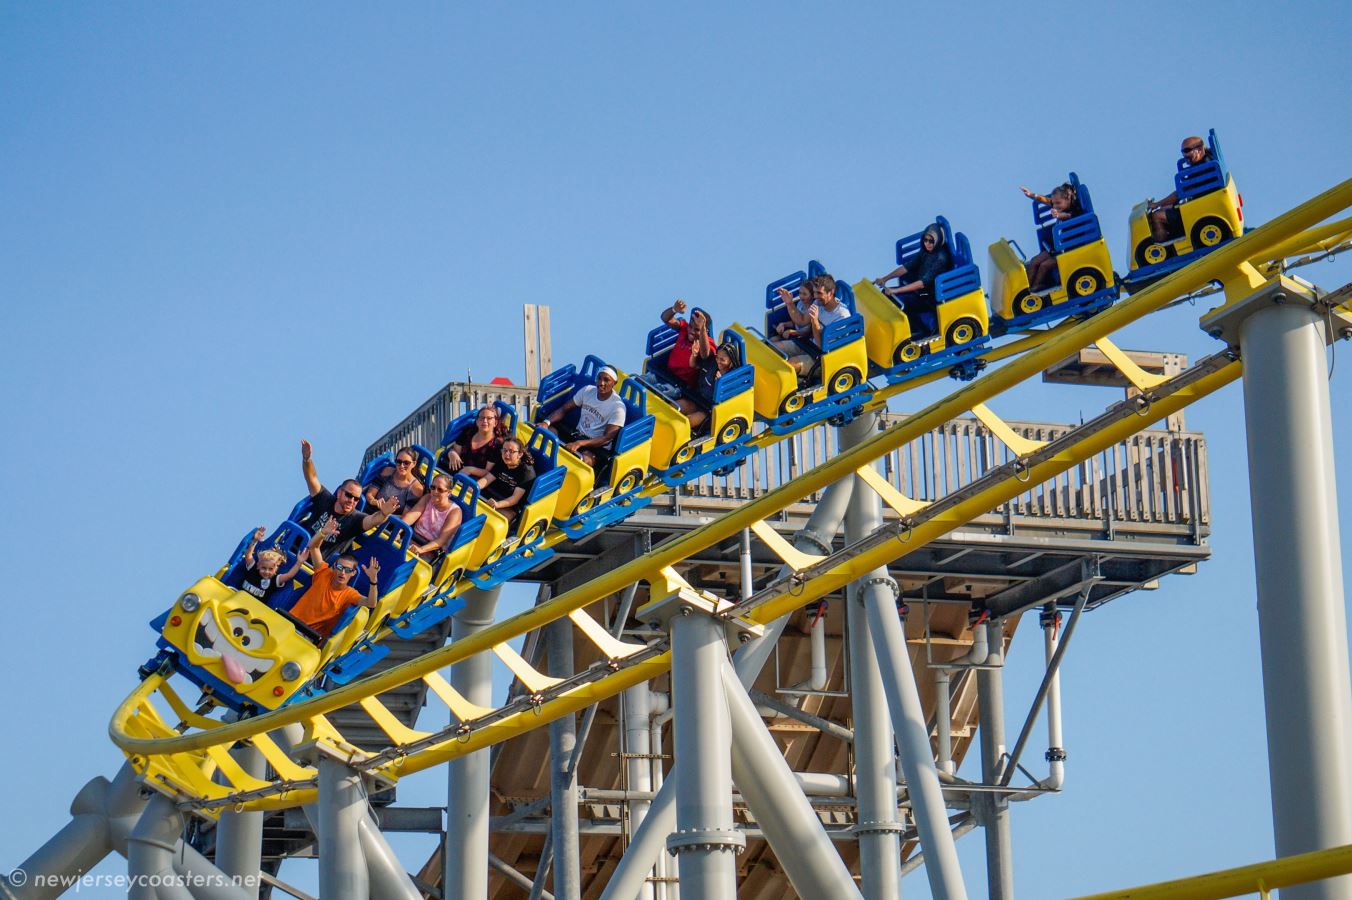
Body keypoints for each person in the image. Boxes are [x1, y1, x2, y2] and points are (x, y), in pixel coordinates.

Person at [286, 520, 380, 643]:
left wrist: (373, 581)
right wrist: (323, 533)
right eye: (340, 567)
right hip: (289, 621)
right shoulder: (323, 573)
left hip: (308, 636)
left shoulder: (349, 594)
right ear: (334, 567)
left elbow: (371, 603)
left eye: (347, 570)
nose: (342, 572)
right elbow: (313, 547)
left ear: (353, 573)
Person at [297, 440, 397, 555]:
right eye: (349, 495)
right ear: (339, 493)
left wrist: (384, 514)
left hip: (312, 561)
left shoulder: (355, 519)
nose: (352, 501)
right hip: (295, 547)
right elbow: (311, 477)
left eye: (356, 499)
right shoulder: (325, 499)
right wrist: (307, 459)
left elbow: (373, 520)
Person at [539, 365, 627, 469]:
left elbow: (606, 438)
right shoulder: (588, 391)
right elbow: (564, 409)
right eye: (599, 378)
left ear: (614, 383)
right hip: (577, 436)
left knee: (584, 460)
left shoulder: (617, 408)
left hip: (595, 448)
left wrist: (580, 443)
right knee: (547, 432)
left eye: (606, 380)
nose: (601, 383)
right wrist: (546, 422)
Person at [873, 223, 954, 334]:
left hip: (928, 296)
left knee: (897, 303)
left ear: (937, 240)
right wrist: (885, 278)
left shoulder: (940, 259)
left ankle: (915, 330)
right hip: (919, 291)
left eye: (931, 241)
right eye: (925, 240)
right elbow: (908, 266)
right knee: (886, 295)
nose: (927, 244)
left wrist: (896, 290)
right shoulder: (925, 251)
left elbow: (922, 283)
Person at [771, 273, 854, 377]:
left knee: (790, 365)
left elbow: (821, 346)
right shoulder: (818, 302)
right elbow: (801, 321)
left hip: (823, 358)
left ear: (831, 292)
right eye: (814, 293)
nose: (815, 297)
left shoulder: (841, 316)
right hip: (808, 344)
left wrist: (815, 322)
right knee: (773, 348)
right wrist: (789, 303)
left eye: (819, 293)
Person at [1147, 136, 1215, 242]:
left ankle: (1162, 245)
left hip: (1197, 208)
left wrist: (1157, 204)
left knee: (1156, 215)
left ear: (1199, 149)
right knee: (1168, 207)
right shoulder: (1207, 159)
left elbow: (1181, 192)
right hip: (1199, 203)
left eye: (1187, 150)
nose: (1184, 155)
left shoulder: (1201, 168)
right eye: (1183, 151)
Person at [1018, 183, 1082, 292]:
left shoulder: (1074, 211)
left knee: (1044, 265)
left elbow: (1066, 216)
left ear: (1068, 200)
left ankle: (1035, 288)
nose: (1055, 206)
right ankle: (1025, 289)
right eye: (1054, 203)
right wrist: (1031, 195)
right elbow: (1044, 200)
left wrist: (1058, 215)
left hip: (1069, 251)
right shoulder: (1058, 205)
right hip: (1058, 248)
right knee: (1034, 261)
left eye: (1058, 203)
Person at [401, 473, 464, 560]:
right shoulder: (427, 498)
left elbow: (441, 540)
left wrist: (421, 549)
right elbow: (411, 516)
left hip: (430, 552)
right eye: (433, 487)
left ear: (449, 493)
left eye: (440, 489)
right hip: (411, 541)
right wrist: (398, 530)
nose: (435, 492)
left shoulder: (455, 512)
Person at [478, 437, 536, 530]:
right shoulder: (502, 462)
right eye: (504, 450)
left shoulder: (526, 473)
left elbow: (515, 499)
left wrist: (497, 504)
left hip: (509, 507)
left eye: (511, 451)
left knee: (492, 526)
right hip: (491, 496)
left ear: (520, 454)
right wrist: (475, 487)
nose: (506, 454)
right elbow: (487, 479)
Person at [441, 406, 507, 479]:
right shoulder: (468, 431)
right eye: (482, 418)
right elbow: (456, 450)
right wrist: (452, 453)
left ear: (495, 423)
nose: (485, 421)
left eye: (489, 418)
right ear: (477, 421)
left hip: (474, 480)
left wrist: (470, 470)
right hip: (455, 473)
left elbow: (488, 472)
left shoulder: (496, 445)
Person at [362, 447, 424, 515]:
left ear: (414, 464)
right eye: (399, 462)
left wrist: (386, 513)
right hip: (369, 511)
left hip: (390, 520)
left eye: (406, 463)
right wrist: (376, 502)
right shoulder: (387, 472)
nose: (402, 466)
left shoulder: (416, 488)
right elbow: (369, 495)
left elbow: (405, 516)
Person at [238, 526, 290, 603]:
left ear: (276, 569)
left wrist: (299, 563)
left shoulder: (274, 580)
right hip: (239, 598)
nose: (266, 571)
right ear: (258, 565)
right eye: (263, 568)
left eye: (270, 569)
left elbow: (289, 575)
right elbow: (248, 555)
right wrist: (255, 540)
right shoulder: (253, 568)